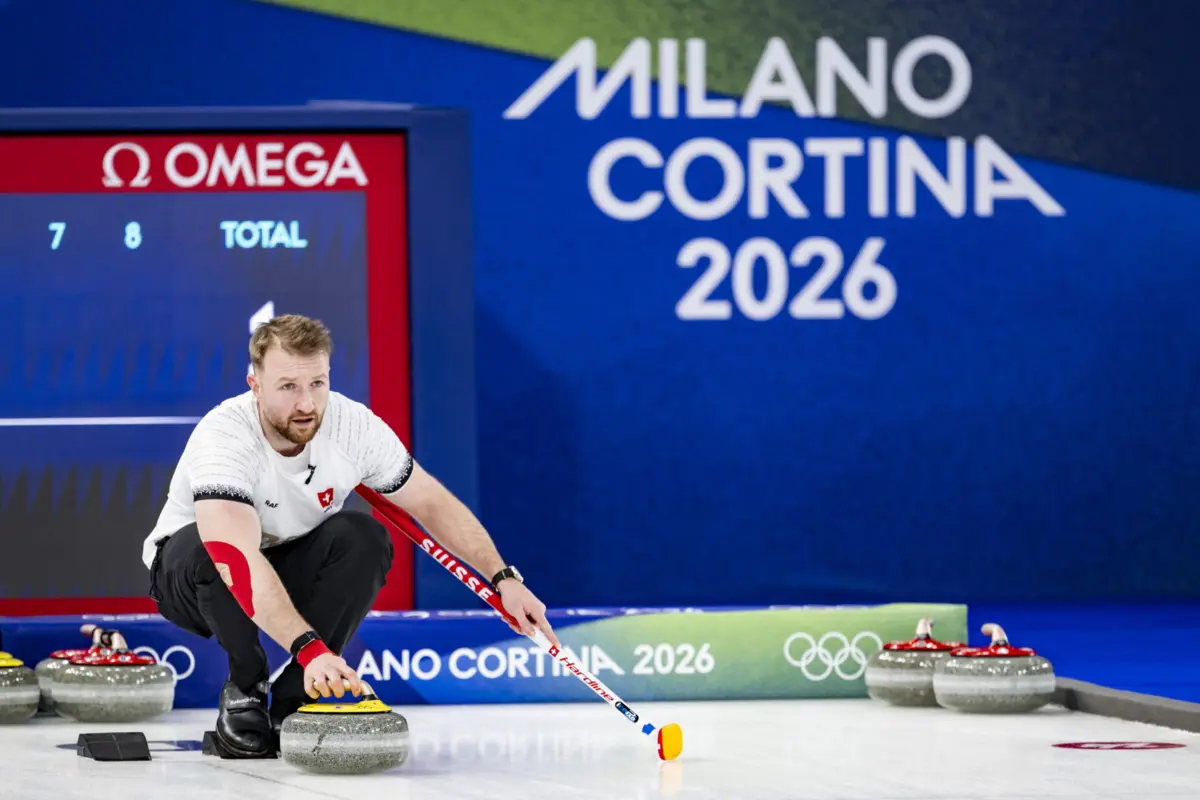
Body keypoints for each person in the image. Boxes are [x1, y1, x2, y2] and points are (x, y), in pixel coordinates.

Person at [142, 314, 559, 758]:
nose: (306, 403)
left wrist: (503, 579)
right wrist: (309, 648)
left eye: (317, 384)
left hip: (282, 568)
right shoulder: (225, 436)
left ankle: (293, 698)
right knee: (214, 550)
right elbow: (235, 558)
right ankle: (245, 687)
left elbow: (432, 503)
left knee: (364, 536)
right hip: (193, 579)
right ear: (255, 385)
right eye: (288, 387)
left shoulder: (351, 426)